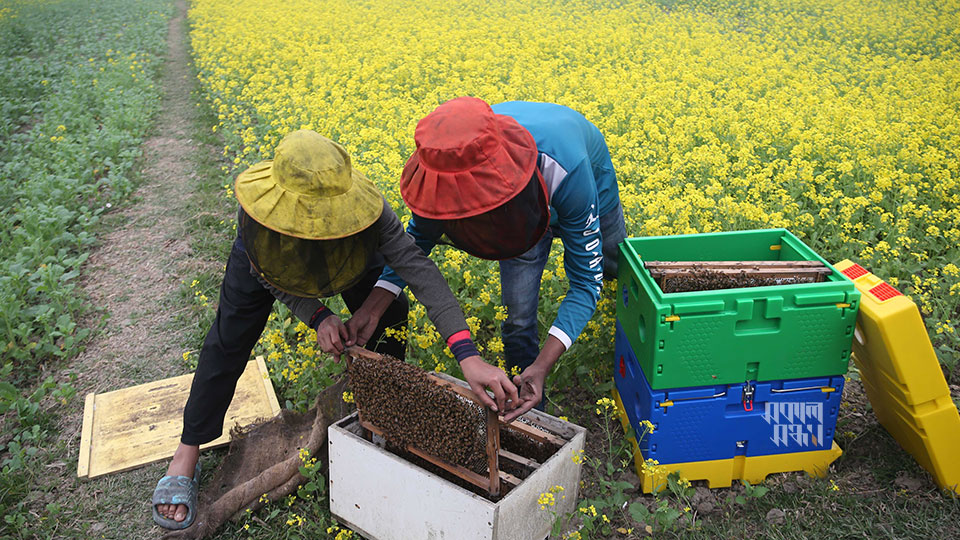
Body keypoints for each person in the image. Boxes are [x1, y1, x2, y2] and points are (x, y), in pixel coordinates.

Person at [152, 129, 517, 529]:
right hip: (263, 267)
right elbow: (266, 274)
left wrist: (468, 355)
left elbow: (420, 271)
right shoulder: (257, 219)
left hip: (352, 257)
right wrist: (317, 316)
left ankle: (380, 413)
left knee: (390, 309)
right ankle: (186, 453)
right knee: (227, 342)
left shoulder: (371, 216)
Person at [352, 97, 626, 424]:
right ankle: (525, 406)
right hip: (516, 216)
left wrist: (545, 362)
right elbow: (415, 243)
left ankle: (622, 317)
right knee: (519, 318)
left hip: (583, 180)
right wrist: (372, 308)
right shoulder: (445, 174)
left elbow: (585, 283)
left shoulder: (568, 169)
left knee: (612, 266)